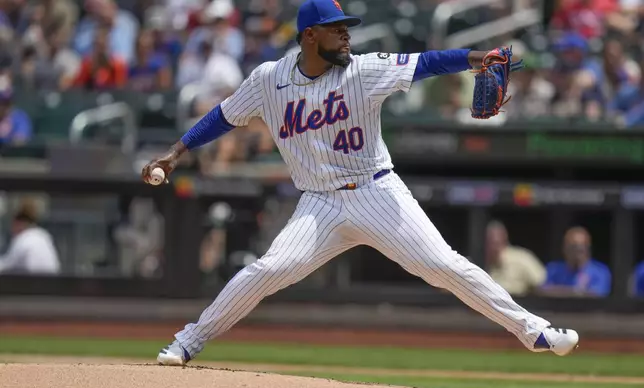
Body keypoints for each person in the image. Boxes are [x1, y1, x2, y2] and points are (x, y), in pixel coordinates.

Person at [143, 0, 579, 366]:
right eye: (337, 29)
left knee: (444, 265)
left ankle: (533, 330)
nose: (347, 36)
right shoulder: (268, 80)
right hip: (319, 204)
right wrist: (177, 151)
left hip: (376, 191)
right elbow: (224, 116)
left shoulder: (363, 70)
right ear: (310, 35)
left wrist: (474, 59)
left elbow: (425, 63)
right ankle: (187, 342)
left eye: (347, 28)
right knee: (267, 270)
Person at [541, 227, 612, 297]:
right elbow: (541, 291)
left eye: (582, 247)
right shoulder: (553, 269)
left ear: (588, 249)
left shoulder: (601, 272)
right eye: (573, 247)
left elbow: (596, 295)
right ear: (564, 249)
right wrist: (578, 291)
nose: (577, 251)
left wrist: (558, 291)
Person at [485, 221, 546, 296]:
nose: (494, 248)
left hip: (522, 304)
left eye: (496, 243)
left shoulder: (522, 258)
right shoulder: (481, 263)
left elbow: (542, 285)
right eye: (489, 243)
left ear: (505, 240)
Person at [0, 201, 60, 275]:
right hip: (54, 282)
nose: (11, 229)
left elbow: (7, 264)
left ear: (19, 223)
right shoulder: (43, 235)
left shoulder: (24, 238)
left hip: (33, 282)